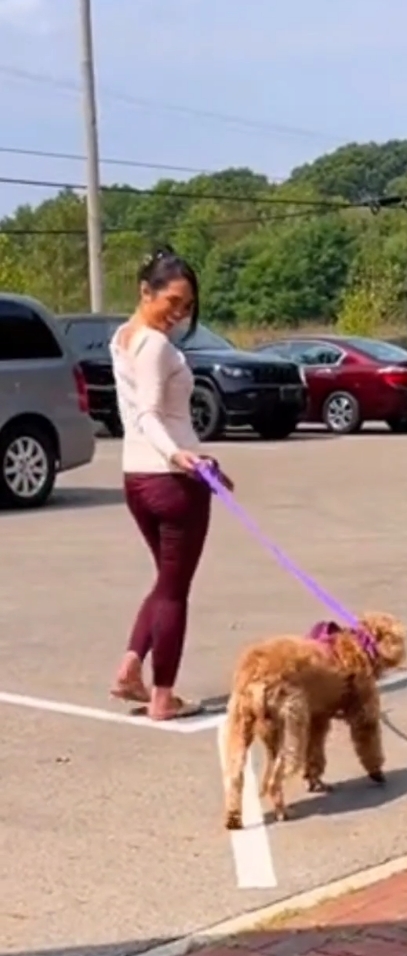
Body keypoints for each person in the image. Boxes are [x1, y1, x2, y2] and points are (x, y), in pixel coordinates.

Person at [109, 246, 229, 720]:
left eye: (187, 306)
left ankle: (129, 668)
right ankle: (163, 695)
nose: (178, 315)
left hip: (137, 478)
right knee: (176, 591)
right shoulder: (156, 346)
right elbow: (150, 415)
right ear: (145, 291)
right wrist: (179, 453)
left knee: (165, 583)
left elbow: (142, 414)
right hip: (172, 479)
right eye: (172, 301)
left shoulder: (124, 336)